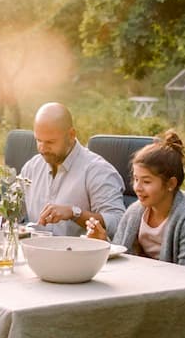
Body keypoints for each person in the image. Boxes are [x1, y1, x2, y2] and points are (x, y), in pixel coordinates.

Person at [83, 130, 185, 274]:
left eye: (146, 181)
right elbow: (121, 260)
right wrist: (104, 243)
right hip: (152, 288)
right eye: (136, 179)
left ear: (171, 183)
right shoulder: (135, 212)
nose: (137, 188)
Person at [18, 102, 126, 239]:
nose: (42, 149)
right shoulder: (32, 167)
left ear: (71, 135)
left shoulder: (98, 170)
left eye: (50, 142)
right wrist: (4, 210)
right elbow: (14, 210)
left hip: (78, 256)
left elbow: (118, 223)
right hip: (35, 253)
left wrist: (74, 213)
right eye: (38, 140)